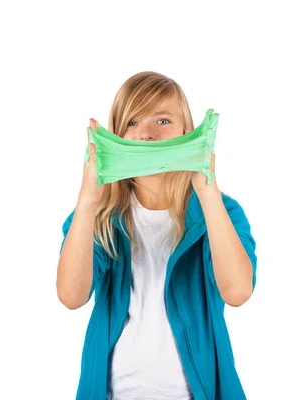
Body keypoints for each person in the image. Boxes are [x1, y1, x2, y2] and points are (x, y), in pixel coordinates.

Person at [56, 71, 258, 400]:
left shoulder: (221, 211)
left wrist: (208, 195)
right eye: (132, 122)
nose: (146, 134)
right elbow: (71, 296)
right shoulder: (99, 215)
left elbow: (237, 291)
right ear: (117, 134)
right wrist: (88, 199)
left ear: (186, 132)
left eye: (162, 120)